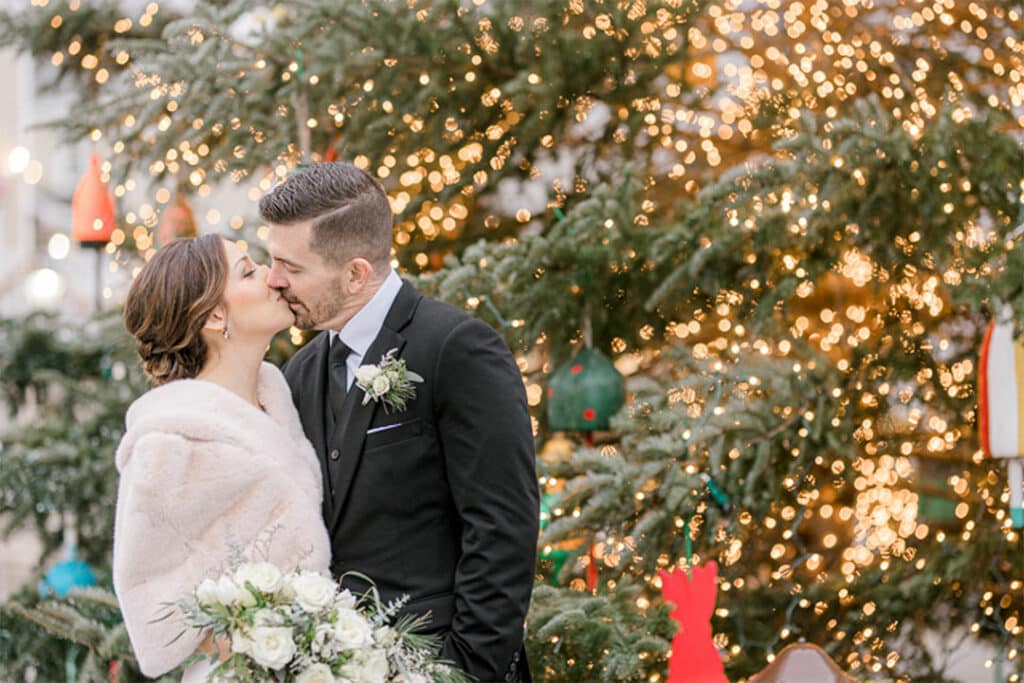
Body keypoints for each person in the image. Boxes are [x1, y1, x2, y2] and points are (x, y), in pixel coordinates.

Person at [262, 162, 540, 683]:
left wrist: (461, 669)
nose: (274, 280)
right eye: (271, 261)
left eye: (291, 267)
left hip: (443, 663)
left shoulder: (458, 349)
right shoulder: (299, 373)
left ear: (355, 274)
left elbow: (503, 528)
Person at [112, 234, 331, 680]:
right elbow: (147, 600)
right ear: (214, 314)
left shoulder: (282, 400)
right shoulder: (171, 441)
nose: (275, 279)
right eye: (249, 272)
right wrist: (241, 630)